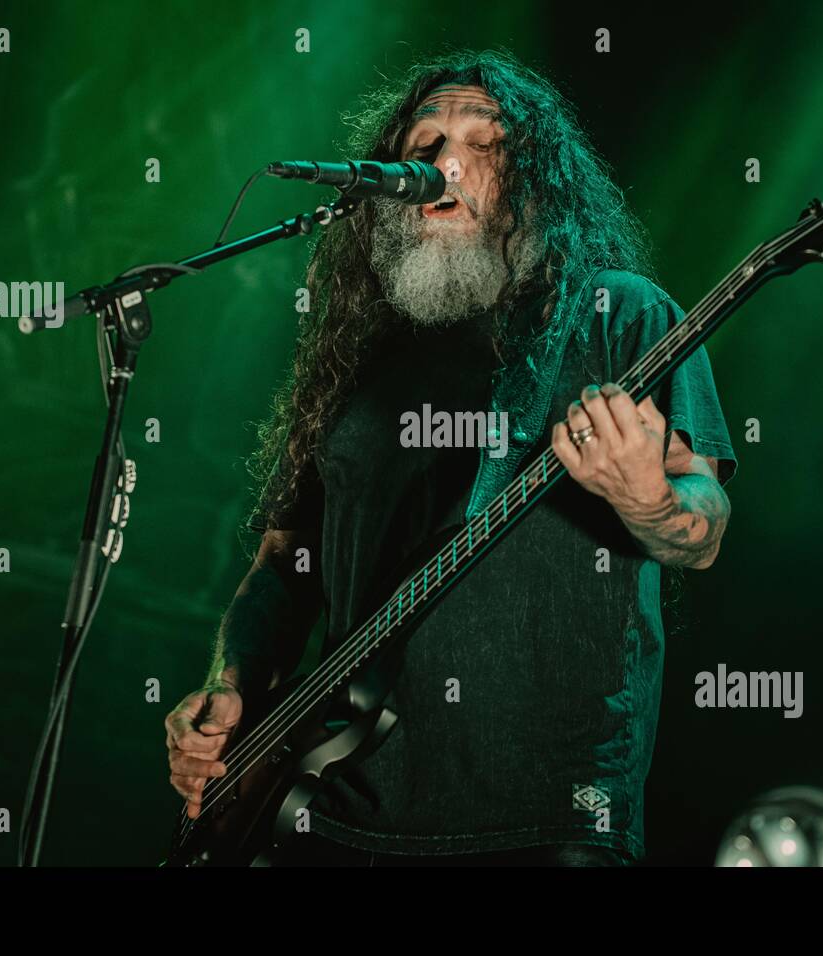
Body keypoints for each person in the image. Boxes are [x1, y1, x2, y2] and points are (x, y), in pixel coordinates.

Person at [165, 49, 736, 866]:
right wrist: (230, 688)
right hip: (327, 807)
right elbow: (285, 566)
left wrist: (646, 498)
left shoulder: (617, 314)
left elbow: (704, 524)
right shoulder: (357, 355)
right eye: (423, 142)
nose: (443, 162)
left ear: (538, 180)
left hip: (543, 822)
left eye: (486, 142)